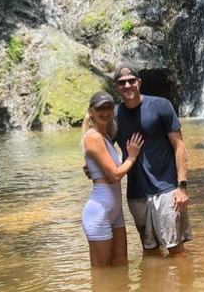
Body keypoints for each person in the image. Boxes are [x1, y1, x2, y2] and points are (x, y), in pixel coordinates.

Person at [113, 65, 193, 255]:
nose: (128, 85)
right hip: (136, 194)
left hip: (166, 190)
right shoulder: (114, 116)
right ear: (116, 86)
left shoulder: (161, 106)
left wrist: (181, 187)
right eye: (122, 82)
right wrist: (89, 162)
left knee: (175, 249)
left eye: (132, 80)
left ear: (139, 82)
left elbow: (179, 146)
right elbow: (98, 139)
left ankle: (184, 285)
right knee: (149, 251)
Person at [81, 91, 144, 266]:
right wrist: (131, 156)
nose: (105, 112)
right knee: (102, 274)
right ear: (91, 111)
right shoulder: (93, 136)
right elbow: (115, 175)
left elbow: (103, 167)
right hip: (99, 212)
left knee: (121, 265)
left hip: (114, 211)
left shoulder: (105, 137)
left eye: (109, 107)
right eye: (100, 108)